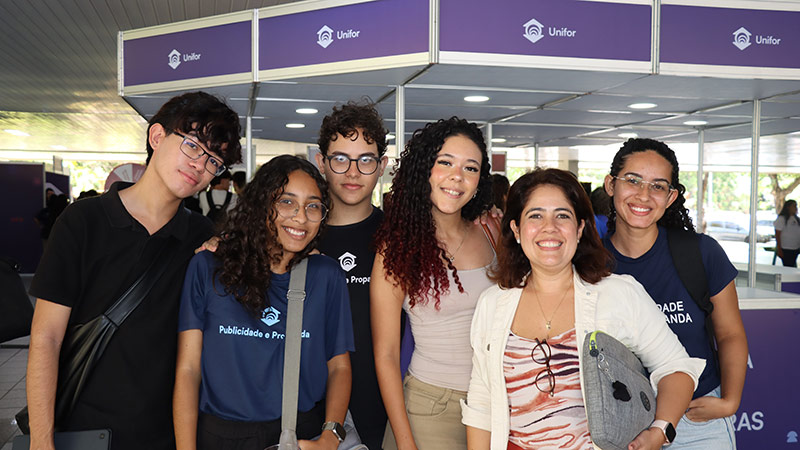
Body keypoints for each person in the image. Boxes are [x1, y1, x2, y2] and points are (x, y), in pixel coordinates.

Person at [26, 91, 242, 450]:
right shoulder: (84, 222)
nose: (199, 165)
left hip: (165, 433)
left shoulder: (202, 238)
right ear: (157, 137)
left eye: (213, 161)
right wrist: (42, 440)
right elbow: (46, 337)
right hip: (83, 432)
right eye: (192, 145)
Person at [463, 168, 705, 450]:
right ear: (516, 229)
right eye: (535, 215)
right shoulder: (493, 302)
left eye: (562, 215)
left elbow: (676, 368)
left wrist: (660, 430)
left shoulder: (619, 293)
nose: (549, 227)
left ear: (579, 229)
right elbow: (482, 402)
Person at [173, 155, 354, 450]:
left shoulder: (326, 276)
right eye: (286, 202)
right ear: (261, 205)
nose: (300, 217)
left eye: (313, 206)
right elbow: (188, 370)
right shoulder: (208, 267)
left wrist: (330, 439)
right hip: (221, 436)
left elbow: (339, 368)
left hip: (299, 434)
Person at [603, 138, 747, 449]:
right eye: (633, 180)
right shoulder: (590, 262)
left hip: (696, 418)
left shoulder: (699, 252)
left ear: (670, 197)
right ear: (611, 185)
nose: (643, 194)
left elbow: (730, 334)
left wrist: (729, 402)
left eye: (657, 186)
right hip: (622, 420)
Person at [371, 117, 495, 450]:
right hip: (431, 408)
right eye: (445, 163)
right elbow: (385, 354)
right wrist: (405, 441)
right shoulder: (397, 247)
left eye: (471, 168)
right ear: (424, 168)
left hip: (496, 403)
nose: (457, 177)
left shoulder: (490, 231)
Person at [314, 101, 390, 449]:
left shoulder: (399, 237)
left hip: (380, 406)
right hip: (307, 407)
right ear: (321, 163)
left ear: (382, 166)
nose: (353, 172)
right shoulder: (297, 235)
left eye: (366, 160)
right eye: (340, 158)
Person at [774, 199, 800, 267]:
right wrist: (779, 249)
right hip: (786, 248)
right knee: (788, 266)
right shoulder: (782, 219)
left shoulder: (797, 219)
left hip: (796, 248)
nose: (795, 208)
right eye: (793, 206)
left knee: (793, 266)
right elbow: (777, 234)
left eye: (796, 206)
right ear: (788, 207)